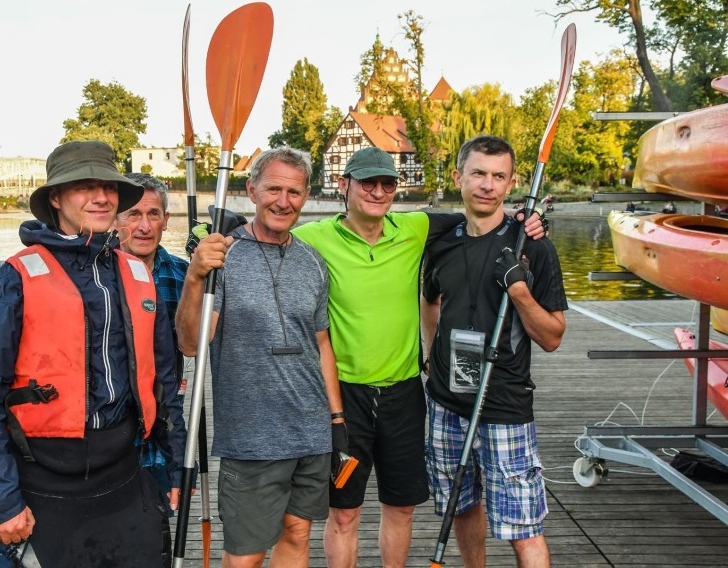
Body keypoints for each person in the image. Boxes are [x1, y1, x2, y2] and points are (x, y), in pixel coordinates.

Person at [291, 146, 546, 567]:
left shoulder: (414, 228)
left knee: (402, 507)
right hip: (345, 398)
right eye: (367, 182)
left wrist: (525, 218)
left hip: (405, 395)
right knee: (344, 513)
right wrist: (214, 229)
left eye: (386, 183)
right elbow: (261, 231)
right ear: (343, 184)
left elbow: (480, 216)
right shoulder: (313, 237)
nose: (377, 191)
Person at [0, 141, 181, 568]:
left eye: (109, 187)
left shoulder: (137, 276)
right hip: (43, 492)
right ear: (56, 197)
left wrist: (176, 466)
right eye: (83, 186)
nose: (101, 197)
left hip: (124, 483)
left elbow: (164, 383)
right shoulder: (13, 281)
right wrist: (0, 500)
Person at [176, 147, 347, 568]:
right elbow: (191, 343)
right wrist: (196, 276)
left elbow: (321, 344)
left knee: (297, 535)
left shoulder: (313, 262)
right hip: (252, 437)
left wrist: (337, 420)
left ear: (306, 197)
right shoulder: (223, 257)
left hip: (310, 430)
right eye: (273, 188)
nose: (282, 201)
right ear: (251, 190)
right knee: (245, 557)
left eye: (293, 191)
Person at [420, 135, 567, 567]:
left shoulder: (532, 244)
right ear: (458, 177)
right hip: (446, 404)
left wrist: (519, 289)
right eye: (478, 173)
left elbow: (553, 336)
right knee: (461, 508)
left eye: (498, 176)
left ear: (512, 182)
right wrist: (431, 358)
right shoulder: (440, 241)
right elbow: (429, 301)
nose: (487, 184)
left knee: (524, 529)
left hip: (503, 404)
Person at [117, 172, 189, 564]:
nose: (144, 226)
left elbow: (194, 344)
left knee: (156, 544)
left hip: (161, 431)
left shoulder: (182, 276)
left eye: (154, 214)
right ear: (115, 219)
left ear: (166, 220)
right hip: (109, 437)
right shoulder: (96, 274)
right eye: (133, 214)